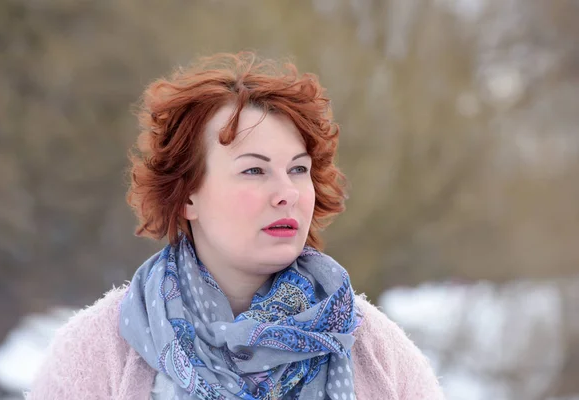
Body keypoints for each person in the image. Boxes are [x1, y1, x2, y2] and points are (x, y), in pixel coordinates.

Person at [27, 52, 444, 400]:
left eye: (298, 170)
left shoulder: (370, 346)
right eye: (253, 171)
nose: (287, 193)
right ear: (187, 194)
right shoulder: (102, 349)